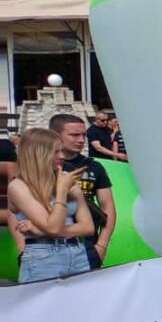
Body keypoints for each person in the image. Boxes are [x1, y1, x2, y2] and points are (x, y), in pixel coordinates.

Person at [7, 128, 94, 283]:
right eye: (55, 152)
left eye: (61, 151)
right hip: (44, 257)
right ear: (38, 154)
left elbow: (88, 228)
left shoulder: (65, 179)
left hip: (78, 253)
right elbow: (53, 227)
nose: (62, 156)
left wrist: (41, 231)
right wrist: (61, 191)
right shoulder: (19, 186)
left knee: (81, 306)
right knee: (42, 306)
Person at [50, 113, 114, 270]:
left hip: (86, 244)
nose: (81, 140)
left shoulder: (94, 167)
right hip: (48, 244)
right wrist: (21, 249)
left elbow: (108, 208)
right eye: (74, 135)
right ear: (55, 136)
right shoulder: (41, 166)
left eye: (84, 135)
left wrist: (102, 246)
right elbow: (15, 210)